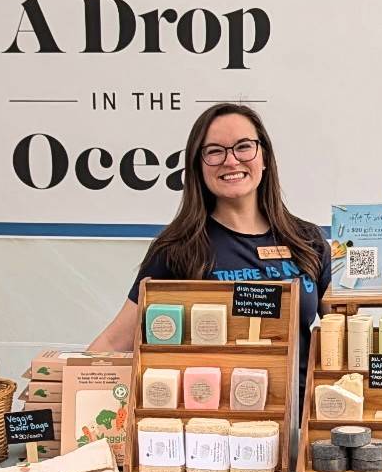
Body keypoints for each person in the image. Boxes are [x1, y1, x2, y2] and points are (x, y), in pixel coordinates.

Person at [89, 103, 331, 372]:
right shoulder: (178, 248)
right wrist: (56, 389)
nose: (231, 160)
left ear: (264, 157)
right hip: (210, 410)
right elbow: (115, 340)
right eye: (214, 151)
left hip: (302, 410)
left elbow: (343, 332)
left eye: (243, 146)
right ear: (198, 167)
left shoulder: (308, 241)